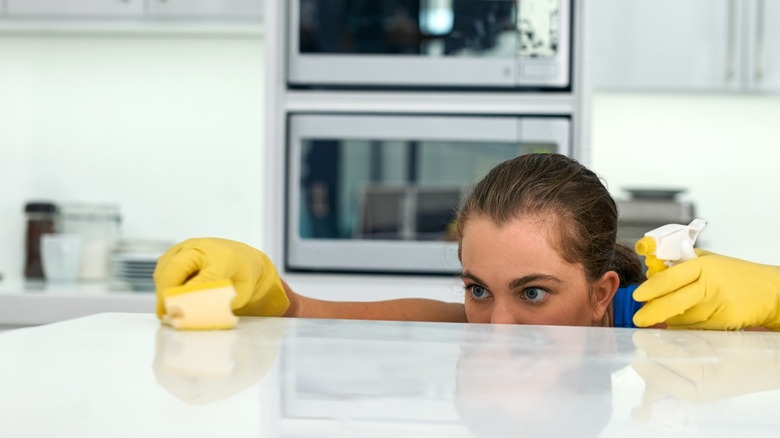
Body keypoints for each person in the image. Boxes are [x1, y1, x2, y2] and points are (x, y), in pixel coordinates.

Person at [154, 153, 780, 331]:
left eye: (534, 292)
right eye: (478, 288)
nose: (495, 327)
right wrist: (283, 302)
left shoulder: (652, 323)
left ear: (601, 293)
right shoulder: (487, 329)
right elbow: (434, 320)